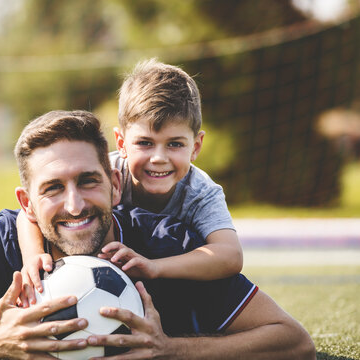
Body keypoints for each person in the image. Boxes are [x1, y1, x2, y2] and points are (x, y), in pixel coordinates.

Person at [0, 110, 315, 359]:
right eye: (53, 187)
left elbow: (294, 342)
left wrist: (171, 350)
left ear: (115, 183)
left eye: (88, 181)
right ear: (27, 203)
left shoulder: (164, 244)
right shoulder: (7, 241)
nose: (74, 205)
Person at [17, 59, 242, 305]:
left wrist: (155, 267)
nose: (158, 158)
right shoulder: (101, 174)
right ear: (121, 143)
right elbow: (27, 213)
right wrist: (34, 256)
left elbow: (230, 256)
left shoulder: (201, 192)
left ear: (196, 146)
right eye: (145, 143)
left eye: (175, 144)